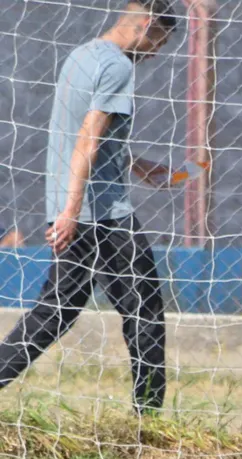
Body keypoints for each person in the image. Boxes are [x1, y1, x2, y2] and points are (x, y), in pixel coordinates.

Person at [0, 1, 182, 414]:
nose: (157, 53)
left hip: (75, 208)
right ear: (146, 25)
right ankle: (148, 417)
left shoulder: (82, 55)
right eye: (159, 41)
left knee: (54, 314)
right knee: (145, 311)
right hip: (101, 214)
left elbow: (81, 134)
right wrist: (72, 211)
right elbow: (88, 137)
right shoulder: (118, 67)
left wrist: (135, 164)